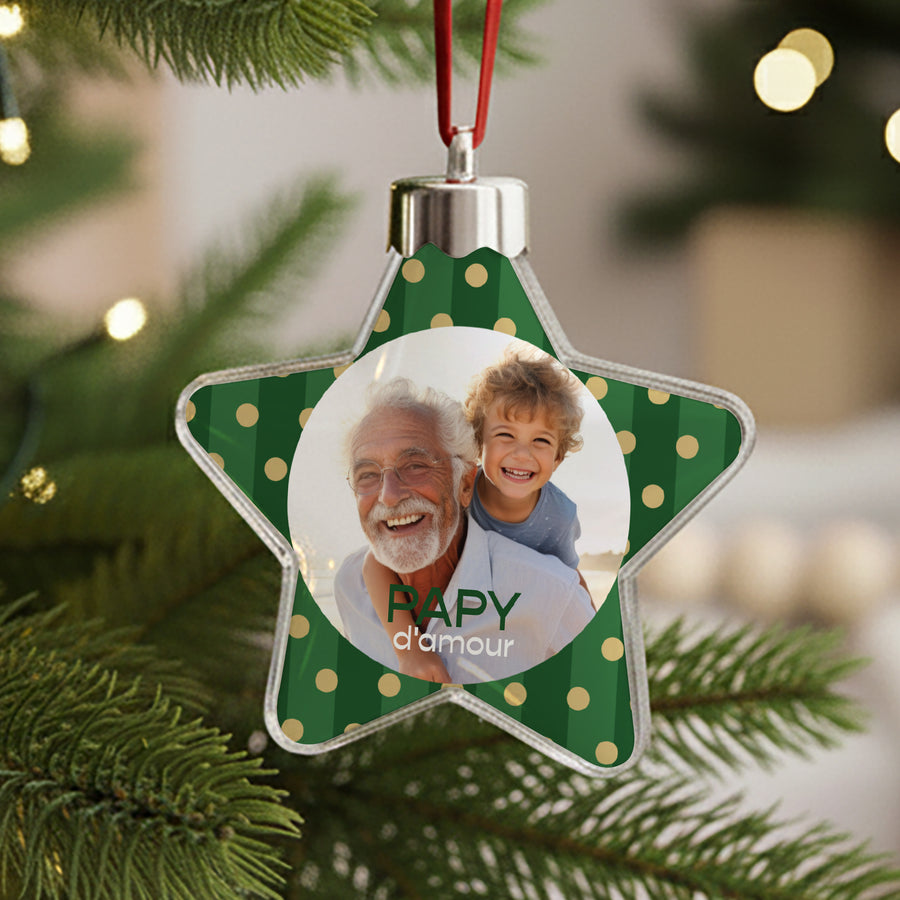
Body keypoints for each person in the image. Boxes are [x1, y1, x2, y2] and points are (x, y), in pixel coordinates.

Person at [333, 376, 593, 684]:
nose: (388, 495)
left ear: (465, 483)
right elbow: (373, 563)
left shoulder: (552, 585)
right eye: (366, 474)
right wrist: (410, 650)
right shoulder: (350, 586)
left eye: (416, 465)